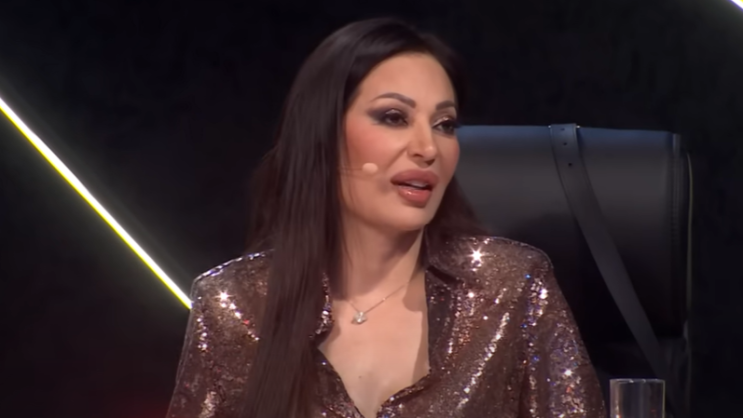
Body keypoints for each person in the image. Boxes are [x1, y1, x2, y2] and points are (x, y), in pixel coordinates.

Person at [166, 17, 606, 418]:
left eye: (445, 124)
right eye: (394, 117)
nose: (428, 148)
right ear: (323, 134)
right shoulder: (233, 305)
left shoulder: (509, 288)